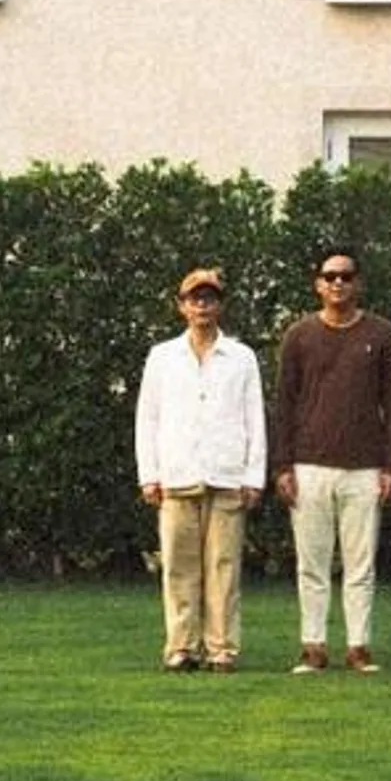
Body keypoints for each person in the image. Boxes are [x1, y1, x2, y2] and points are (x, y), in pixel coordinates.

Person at [273, 248, 391, 674]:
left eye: (346, 276)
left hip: (365, 467)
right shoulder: (299, 335)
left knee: (360, 564)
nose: (338, 284)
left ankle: (358, 646)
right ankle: (313, 646)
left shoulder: (382, 334)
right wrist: (282, 466)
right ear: (317, 284)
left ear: (358, 283)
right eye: (329, 276)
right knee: (311, 564)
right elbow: (284, 404)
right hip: (309, 465)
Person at [134, 267, 266, 674]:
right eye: (194, 299)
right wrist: (149, 474)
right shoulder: (162, 357)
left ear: (220, 305)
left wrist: (253, 476)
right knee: (178, 566)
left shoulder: (241, 357)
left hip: (226, 476)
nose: (202, 306)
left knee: (223, 567)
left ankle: (222, 648)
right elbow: (148, 418)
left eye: (209, 299)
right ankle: (181, 646)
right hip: (177, 475)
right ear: (181, 306)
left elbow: (254, 418)